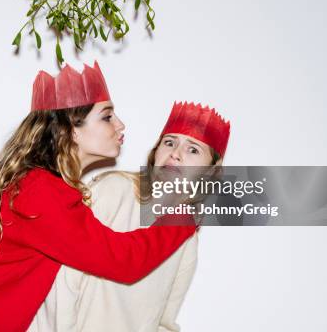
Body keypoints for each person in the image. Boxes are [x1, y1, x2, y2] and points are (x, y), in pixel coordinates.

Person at [0, 63, 198, 332]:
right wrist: (184, 216)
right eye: (107, 116)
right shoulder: (42, 194)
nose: (120, 125)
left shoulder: (33, 184)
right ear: (71, 129)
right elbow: (122, 261)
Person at [29, 101, 230, 332]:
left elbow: (164, 320)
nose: (175, 154)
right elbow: (63, 280)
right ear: (156, 153)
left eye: (193, 149)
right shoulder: (115, 189)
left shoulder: (187, 236)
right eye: (169, 142)